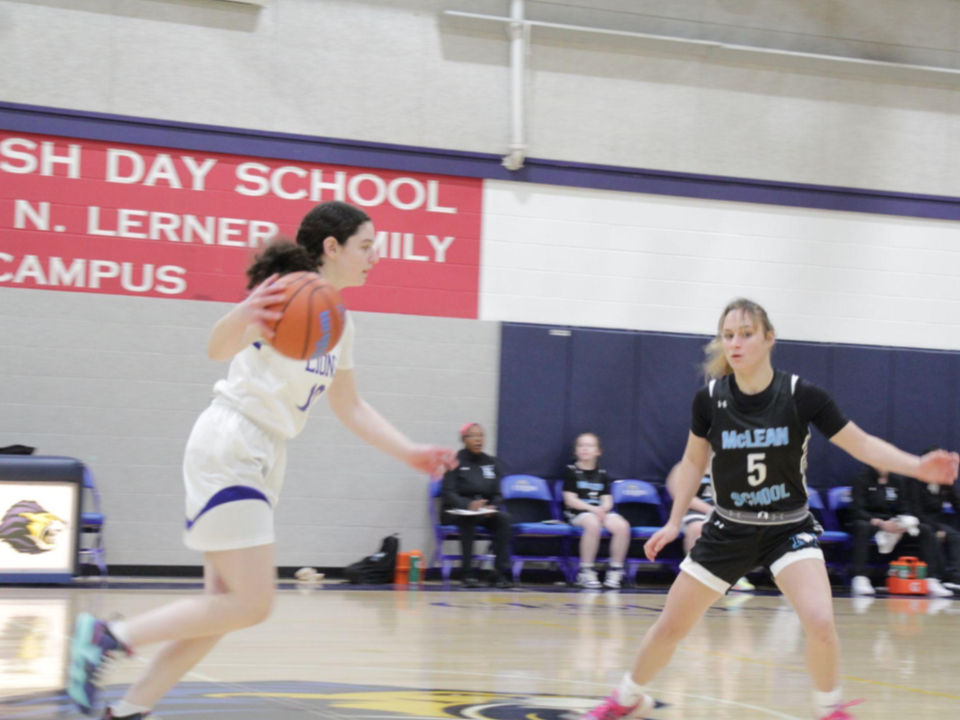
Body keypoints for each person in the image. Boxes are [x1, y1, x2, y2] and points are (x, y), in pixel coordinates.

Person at [67, 201, 458, 720]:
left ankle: (131, 709)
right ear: (332, 248)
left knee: (221, 610)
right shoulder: (285, 291)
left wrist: (408, 451)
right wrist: (245, 311)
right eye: (367, 246)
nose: (375, 257)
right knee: (253, 602)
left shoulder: (340, 321)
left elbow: (350, 405)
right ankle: (108, 636)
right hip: (233, 440)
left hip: (266, 452)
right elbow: (216, 346)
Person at [579, 298, 958, 720]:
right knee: (671, 626)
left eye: (745, 334)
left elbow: (863, 444)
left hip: (787, 529)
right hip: (728, 528)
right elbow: (691, 462)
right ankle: (629, 697)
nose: (735, 344)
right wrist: (672, 522)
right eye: (728, 336)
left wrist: (918, 466)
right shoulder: (710, 400)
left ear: (768, 338)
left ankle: (829, 709)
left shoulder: (801, 396)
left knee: (820, 622)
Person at [848, 465, 952, 597]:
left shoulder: (897, 480)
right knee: (861, 526)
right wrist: (880, 523)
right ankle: (860, 577)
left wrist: (903, 522)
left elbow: (905, 508)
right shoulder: (862, 479)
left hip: (894, 522)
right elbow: (857, 510)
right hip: (871, 520)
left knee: (925, 530)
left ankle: (931, 579)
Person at [441, 423, 514, 588]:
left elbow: (497, 494)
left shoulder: (491, 462)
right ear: (464, 439)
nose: (478, 439)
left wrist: (492, 507)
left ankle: (499, 572)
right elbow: (449, 493)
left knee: (505, 519)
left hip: (483, 510)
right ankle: (467, 573)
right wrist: (468, 505)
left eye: (481, 435)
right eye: (473, 436)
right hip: (456, 511)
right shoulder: (454, 461)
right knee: (467, 520)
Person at [666, 464, 755, 592]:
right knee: (698, 528)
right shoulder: (683, 467)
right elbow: (682, 496)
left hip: (724, 512)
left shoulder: (729, 467)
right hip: (693, 512)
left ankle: (734, 574)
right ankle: (697, 576)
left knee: (745, 527)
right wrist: (711, 510)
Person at [562, 433, 630, 589]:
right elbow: (570, 500)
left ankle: (615, 570)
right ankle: (585, 570)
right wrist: (593, 509)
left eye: (590, 445)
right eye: (581, 445)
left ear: (598, 451)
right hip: (578, 513)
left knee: (622, 526)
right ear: (575, 451)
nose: (585, 448)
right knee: (592, 524)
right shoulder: (571, 471)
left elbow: (607, 499)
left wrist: (604, 508)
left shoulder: (602, 474)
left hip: (598, 511)